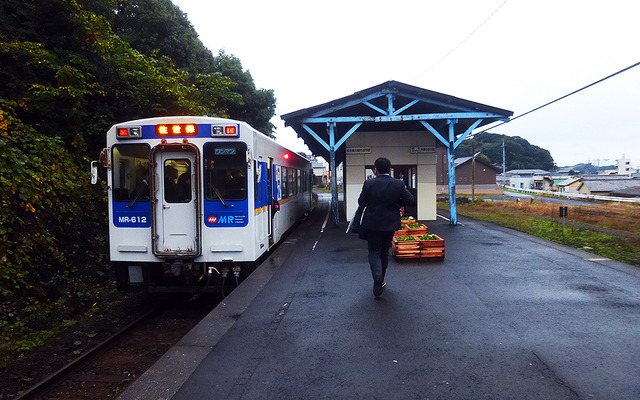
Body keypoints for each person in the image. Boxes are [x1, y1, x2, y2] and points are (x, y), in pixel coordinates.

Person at [357, 157, 415, 297]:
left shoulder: (369, 183)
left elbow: (361, 202)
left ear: (375, 170)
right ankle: (381, 278)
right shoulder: (398, 184)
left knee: (374, 252)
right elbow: (410, 200)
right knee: (384, 252)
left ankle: (376, 276)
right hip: (390, 224)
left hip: (372, 223)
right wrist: (396, 202)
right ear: (390, 170)